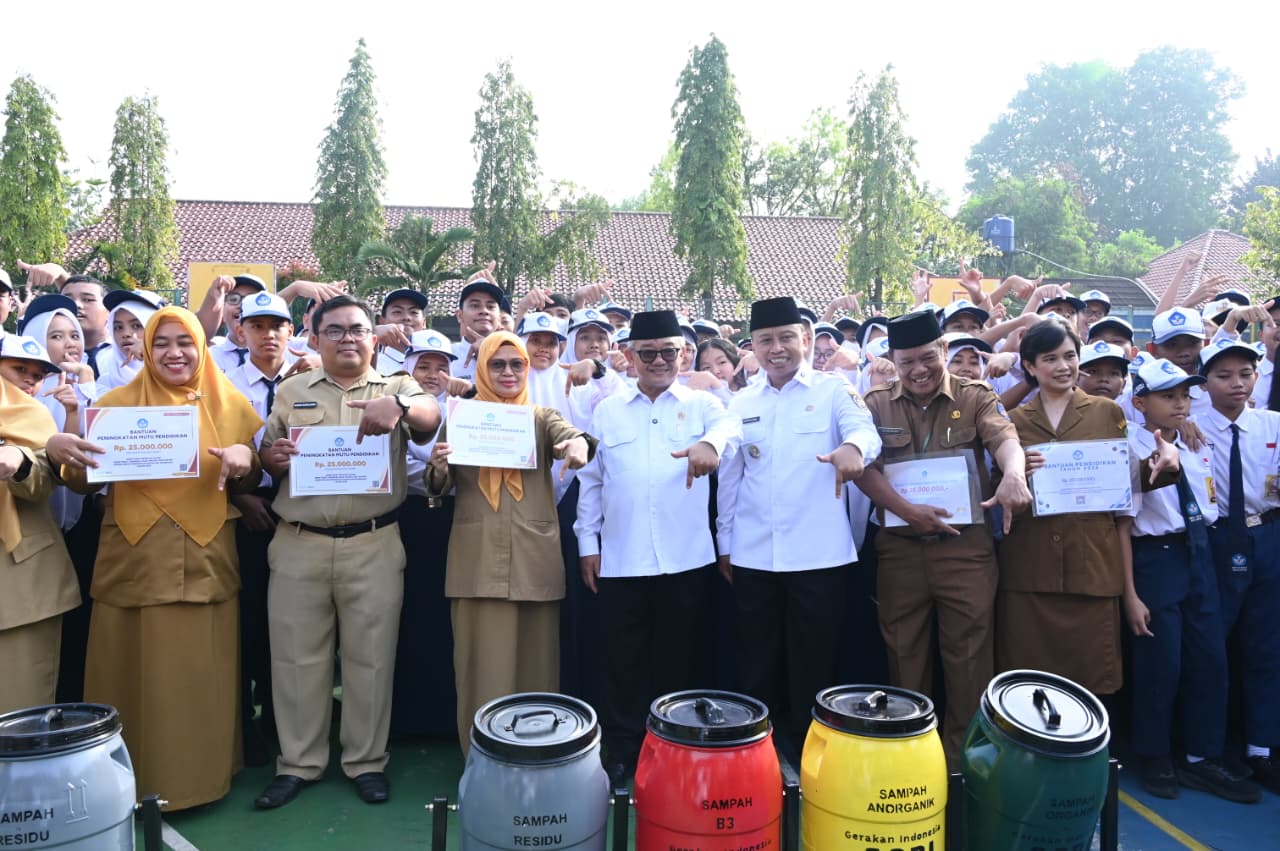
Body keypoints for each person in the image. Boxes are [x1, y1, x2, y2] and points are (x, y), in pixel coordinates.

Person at [58, 306, 263, 810]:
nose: (175, 353)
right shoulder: (112, 404)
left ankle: (201, 780)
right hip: (135, 556)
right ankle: (123, 783)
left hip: (204, 555)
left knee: (202, 674)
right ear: (147, 348)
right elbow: (84, 482)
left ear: (201, 345)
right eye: (163, 342)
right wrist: (62, 453)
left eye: (185, 342)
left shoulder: (229, 404)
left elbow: (251, 476)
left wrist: (246, 461)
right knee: (131, 670)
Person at [254, 294, 440, 809]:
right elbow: (267, 454)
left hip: (373, 541)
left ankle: (365, 761)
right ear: (314, 339)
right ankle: (298, 763)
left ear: (373, 338)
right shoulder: (291, 390)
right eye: (333, 330)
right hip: (299, 542)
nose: (347, 338)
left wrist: (400, 406)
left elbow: (430, 415)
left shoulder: (398, 385)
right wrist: (273, 457)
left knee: (371, 658)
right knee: (295, 659)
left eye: (357, 329)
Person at [855, 309, 1030, 762]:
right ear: (891, 360)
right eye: (906, 360)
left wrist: (1014, 473)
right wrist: (908, 512)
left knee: (969, 660)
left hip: (964, 551)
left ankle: (961, 763)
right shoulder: (875, 404)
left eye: (928, 357)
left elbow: (1003, 437)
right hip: (900, 551)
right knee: (904, 655)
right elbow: (865, 471)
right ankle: (912, 759)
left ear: (944, 351)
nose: (919, 370)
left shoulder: (975, 397)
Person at [575, 310, 740, 786]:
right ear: (629, 356)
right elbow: (591, 480)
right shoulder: (607, 411)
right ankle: (623, 749)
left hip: (686, 557)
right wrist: (588, 542)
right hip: (622, 557)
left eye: (670, 351)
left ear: (683, 353)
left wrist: (709, 441)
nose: (660, 361)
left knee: (681, 659)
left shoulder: (702, 404)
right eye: (648, 353)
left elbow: (732, 429)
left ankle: (679, 746)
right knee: (622, 661)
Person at [716, 296, 881, 755]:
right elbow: (731, 475)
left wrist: (853, 449)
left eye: (787, 337)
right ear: (752, 346)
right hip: (753, 553)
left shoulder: (833, 391)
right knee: (755, 660)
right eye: (766, 340)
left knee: (815, 660)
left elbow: (864, 432)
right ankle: (757, 752)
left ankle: (812, 753)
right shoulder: (742, 400)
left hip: (819, 554)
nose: (777, 348)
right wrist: (725, 541)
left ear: (805, 340)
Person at [426, 331, 594, 754]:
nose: (507, 372)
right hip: (476, 560)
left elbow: (575, 437)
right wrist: (439, 466)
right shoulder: (461, 416)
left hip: (533, 559)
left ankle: (538, 755)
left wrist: (577, 445)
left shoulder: (540, 416)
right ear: (482, 367)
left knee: (538, 669)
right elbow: (436, 488)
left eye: (516, 364)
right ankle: (482, 760)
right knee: (480, 668)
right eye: (497, 364)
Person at [996, 320, 1177, 698]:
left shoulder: (1107, 412)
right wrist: (1016, 476)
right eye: (1050, 358)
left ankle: (1092, 757)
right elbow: (995, 492)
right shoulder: (1013, 423)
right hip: (1032, 567)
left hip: (1092, 564)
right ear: (1029, 366)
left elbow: (1123, 483)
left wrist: (1163, 466)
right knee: (1030, 684)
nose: (1064, 366)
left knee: (1092, 681)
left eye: (1070, 356)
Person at [1122, 358, 1261, 803]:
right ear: (1140, 402)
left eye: (1184, 395)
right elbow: (1122, 526)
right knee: (1161, 662)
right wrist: (1130, 593)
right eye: (1167, 396)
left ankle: (1202, 755)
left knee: (1209, 658)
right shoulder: (1127, 445)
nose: (1179, 403)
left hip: (1200, 550)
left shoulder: (1197, 440)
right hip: (1156, 557)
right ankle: (1156, 754)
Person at [224, 292, 310, 765]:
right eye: (257, 326)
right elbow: (208, 450)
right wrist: (238, 496)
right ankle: (243, 727)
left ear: (291, 331)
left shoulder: (311, 377)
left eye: (277, 325)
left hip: (301, 513)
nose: (268, 334)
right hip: (247, 515)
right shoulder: (223, 384)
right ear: (241, 332)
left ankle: (286, 724)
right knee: (249, 625)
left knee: (293, 628)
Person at [1197, 339, 1280, 793]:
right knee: (1212, 647)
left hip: (1265, 532)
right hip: (1215, 538)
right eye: (1224, 376)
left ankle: (1262, 747)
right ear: (1204, 382)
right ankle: (1209, 747)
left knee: (1266, 644)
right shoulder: (1189, 426)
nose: (1236, 384)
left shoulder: (1273, 424)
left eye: (1245, 374)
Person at [0, 336, 80, 714]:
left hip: (21, 585)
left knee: (20, 712)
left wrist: (19, 460)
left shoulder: (36, 416)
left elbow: (44, 479)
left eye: (37, 375)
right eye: (18, 370)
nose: (29, 381)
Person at [389, 329, 457, 737]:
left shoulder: (466, 410)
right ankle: (407, 720)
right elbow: (394, 469)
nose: (432, 375)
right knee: (407, 617)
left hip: (451, 519)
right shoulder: (394, 406)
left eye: (441, 367)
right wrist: (429, 471)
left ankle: (446, 716)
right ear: (408, 369)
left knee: (445, 620)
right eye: (424, 366)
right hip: (407, 517)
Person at [96, 289, 164, 391]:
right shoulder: (99, 365)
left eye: (137, 325)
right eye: (118, 327)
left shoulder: (174, 365)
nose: (126, 334)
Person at [375, 289, 428, 376]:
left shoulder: (439, 365)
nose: (407, 317)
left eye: (414, 312)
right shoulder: (371, 367)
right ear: (382, 321)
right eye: (397, 312)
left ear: (424, 323)